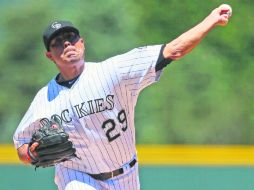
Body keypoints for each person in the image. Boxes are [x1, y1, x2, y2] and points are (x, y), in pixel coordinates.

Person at [13, 4, 232, 190]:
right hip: (77, 177)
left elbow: (173, 50)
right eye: (57, 42)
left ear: (82, 42)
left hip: (126, 175)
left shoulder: (113, 71)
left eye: (71, 37)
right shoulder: (45, 99)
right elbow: (21, 146)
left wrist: (211, 20)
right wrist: (31, 153)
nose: (67, 44)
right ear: (49, 55)